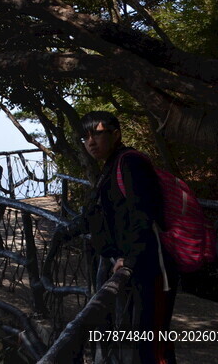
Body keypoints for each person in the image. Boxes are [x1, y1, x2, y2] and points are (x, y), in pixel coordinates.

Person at [63, 111, 178, 364]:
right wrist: (66, 232)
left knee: (153, 344)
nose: (90, 141)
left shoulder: (130, 163)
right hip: (135, 268)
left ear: (116, 134)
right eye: (85, 137)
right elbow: (99, 214)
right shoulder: (111, 166)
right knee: (142, 342)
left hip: (152, 267)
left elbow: (143, 213)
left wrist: (129, 258)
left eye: (97, 134)